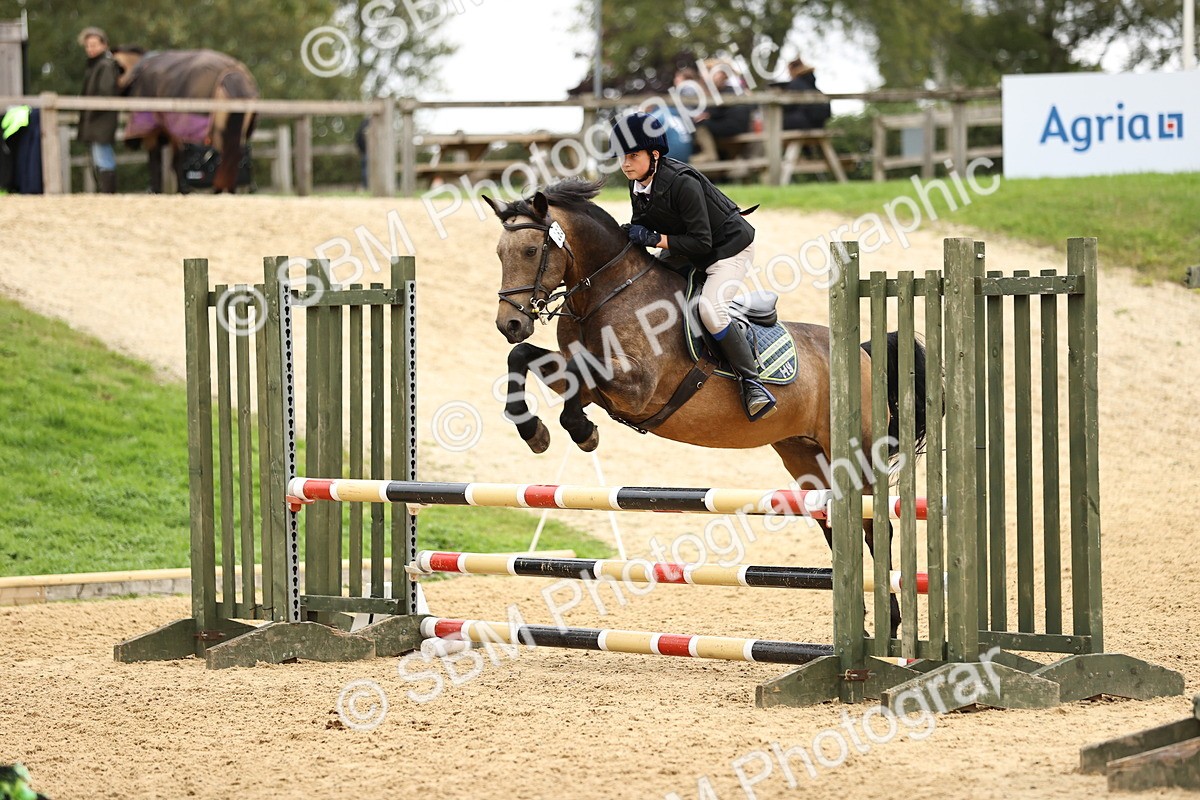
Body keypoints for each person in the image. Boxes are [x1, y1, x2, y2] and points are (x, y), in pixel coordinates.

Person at [610, 112, 775, 421]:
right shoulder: (638, 184)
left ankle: (752, 383)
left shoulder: (682, 182)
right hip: (689, 249)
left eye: (633, 155)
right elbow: (644, 226)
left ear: (654, 155)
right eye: (622, 156)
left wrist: (656, 239)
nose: (625, 163)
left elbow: (701, 242)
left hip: (727, 250)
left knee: (710, 310)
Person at [78, 27, 119, 193]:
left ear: (104, 45)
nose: (90, 49)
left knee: (103, 156)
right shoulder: (97, 66)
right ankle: (104, 192)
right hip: (96, 119)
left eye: (94, 45)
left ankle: (107, 193)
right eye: (88, 45)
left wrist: (91, 111)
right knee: (98, 156)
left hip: (101, 119)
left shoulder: (105, 66)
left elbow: (106, 92)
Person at [781, 58, 832, 131]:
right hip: (820, 125)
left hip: (803, 123)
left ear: (792, 69)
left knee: (776, 121)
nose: (788, 74)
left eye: (789, 71)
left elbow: (787, 106)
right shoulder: (811, 84)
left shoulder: (796, 84)